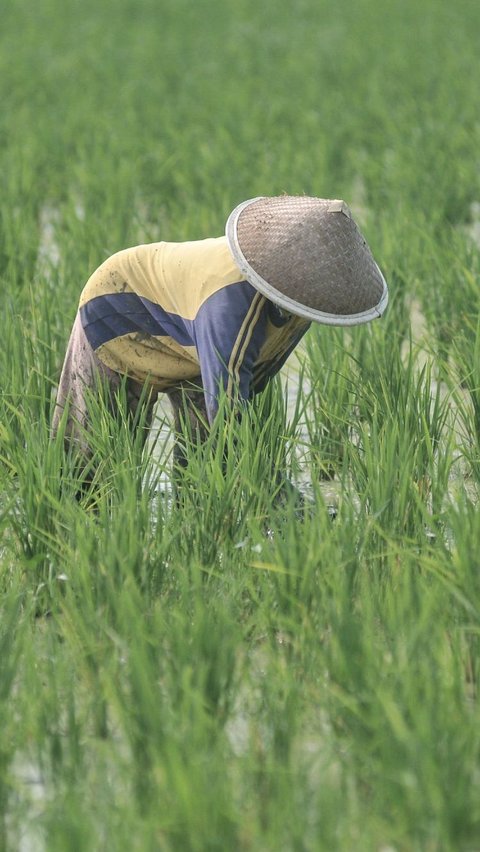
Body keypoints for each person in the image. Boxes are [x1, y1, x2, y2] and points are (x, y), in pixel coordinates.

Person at [51, 195, 388, 484]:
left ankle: (199, 533)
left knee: (205, 469)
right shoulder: (230, 306)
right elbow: (228, 412)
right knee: (98, 467)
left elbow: (249, 383)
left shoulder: (304, 301)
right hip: (121, 308)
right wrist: (273, 489)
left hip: (191, 339)